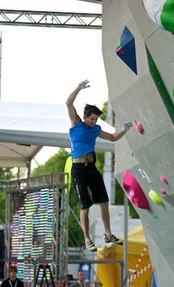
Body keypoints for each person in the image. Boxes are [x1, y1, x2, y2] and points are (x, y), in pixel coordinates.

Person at [66, 79, 132, 252]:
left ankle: (108, 234)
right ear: (85, 117)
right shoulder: (76, 123)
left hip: (92, 168)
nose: (94, 122)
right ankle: (87, 239)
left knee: (104, 201)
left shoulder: (95, 129)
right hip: (78, 171)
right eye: (92, 119)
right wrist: (78, 88)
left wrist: (124, 130)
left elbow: (111, 137)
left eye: (96, 120)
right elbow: (68, 102)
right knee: (85, 206)